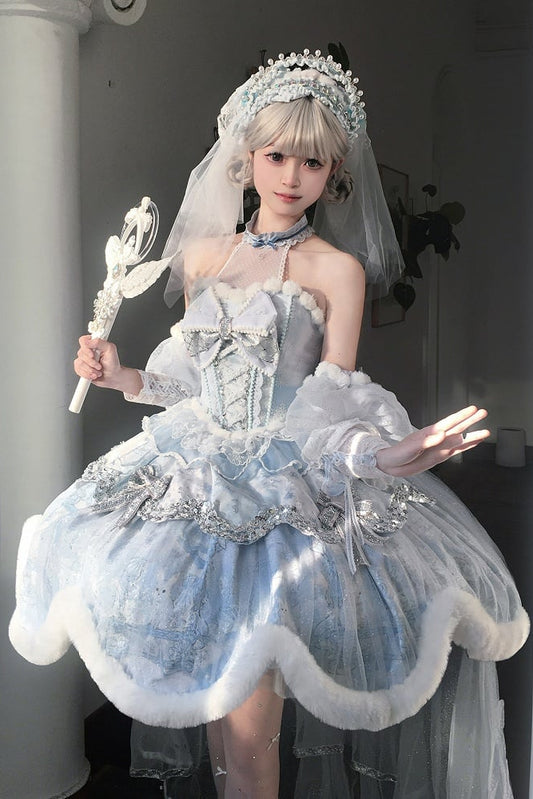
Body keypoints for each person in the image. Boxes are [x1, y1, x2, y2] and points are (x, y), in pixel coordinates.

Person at [9, 50, 528, 798]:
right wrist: (121, 375)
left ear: (333, 173)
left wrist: (383, 455)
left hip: (284, 492)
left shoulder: (336, 270)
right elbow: (188, 385)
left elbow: (332, 402)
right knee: (216, 710)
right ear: (245, 156)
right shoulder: (201, 258)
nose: (291, 176)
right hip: (191, 482)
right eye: (277, 155)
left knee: (253, 738)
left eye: (312, 162)